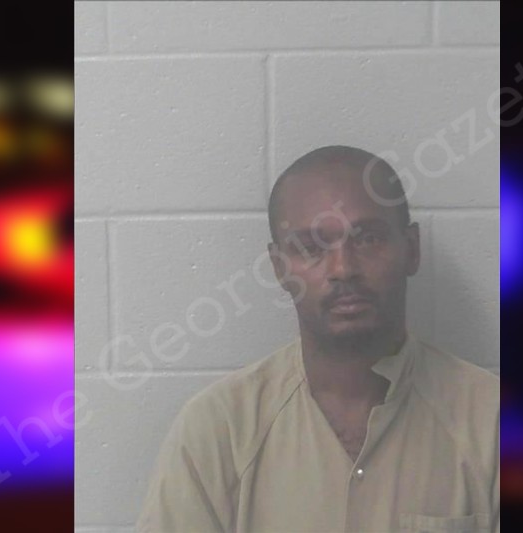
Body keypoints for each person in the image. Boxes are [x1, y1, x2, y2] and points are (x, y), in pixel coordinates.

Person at [136, 146, 499, 533]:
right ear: (279, 267)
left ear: (411, 249)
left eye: (368, 238)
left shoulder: (494, 423)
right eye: (311, 247)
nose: (343, 268)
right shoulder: (218, 430)